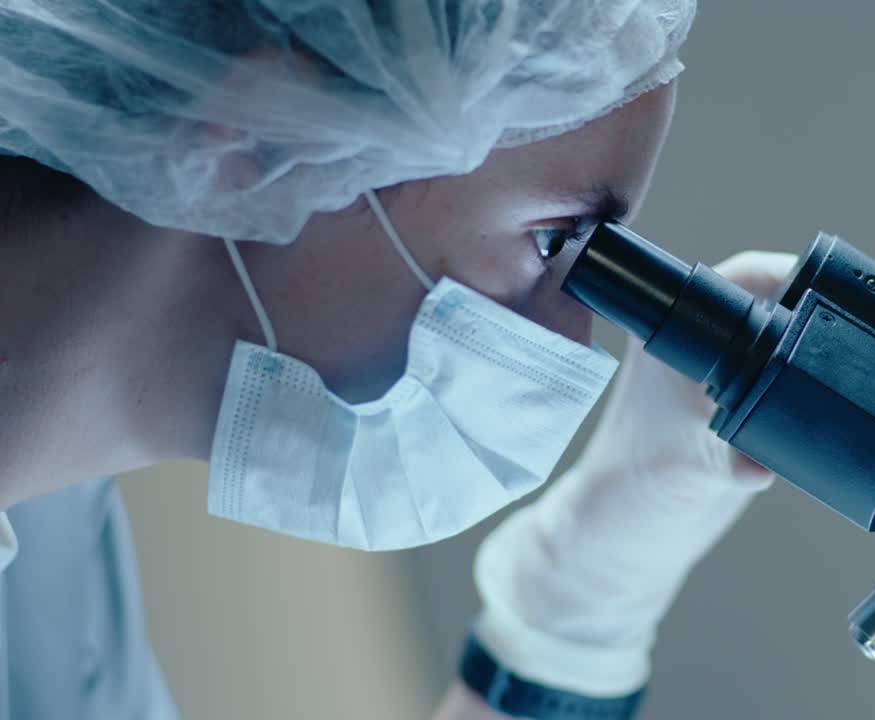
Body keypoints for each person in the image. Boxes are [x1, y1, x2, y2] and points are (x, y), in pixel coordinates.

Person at [0, 1, 794, 718]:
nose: (575, 348)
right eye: (556, 240)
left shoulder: (47, 568)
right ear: (264, 137)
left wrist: (574, 611)